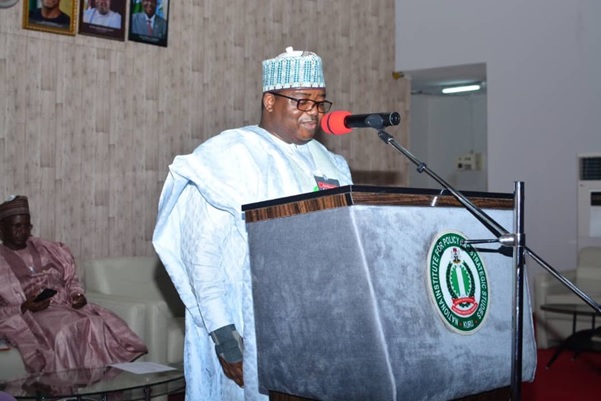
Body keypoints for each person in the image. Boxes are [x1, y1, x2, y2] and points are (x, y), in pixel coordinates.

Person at [153, 47, 353, 401]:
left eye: (320, 102)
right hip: (249, 329)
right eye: (302, 101)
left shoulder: (331, 163)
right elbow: (201, 255)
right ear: (269, 101)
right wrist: (226, 339)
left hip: (320, 328)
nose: (313, 112)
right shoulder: (229, 155)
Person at [0, 195, 147, 373]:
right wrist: (24, 307)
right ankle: (68, 385)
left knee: (95, 323)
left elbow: (71, 280)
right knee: (64, 332)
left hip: (65, 306)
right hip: (33, 314)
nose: (23, 231)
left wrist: (76, 294)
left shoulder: (48, 249)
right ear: (2, 228)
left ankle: (105, 384)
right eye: (17, 226)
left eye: (26, 225)